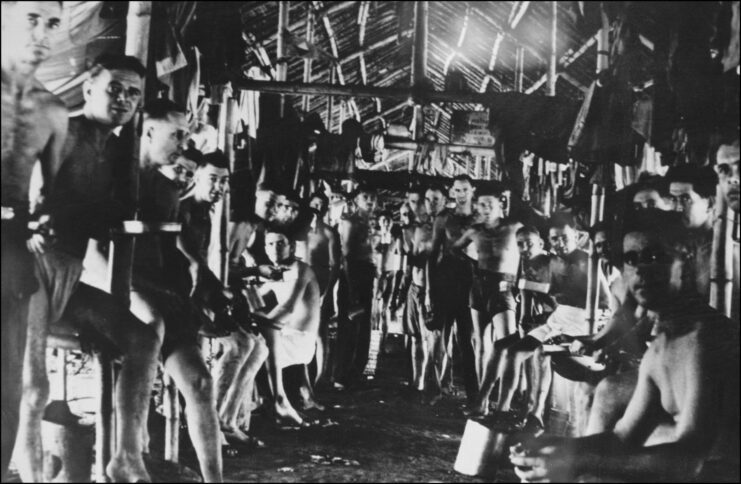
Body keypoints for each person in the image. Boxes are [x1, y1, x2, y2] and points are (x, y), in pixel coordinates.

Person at [16, 54, 163, 483]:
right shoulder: (61, 133)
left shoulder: (119, 152)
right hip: (32, 271)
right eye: (113, 88)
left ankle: (126, 456)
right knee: (34, 384)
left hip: (69, 277)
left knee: (142, 340)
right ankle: (32, 476)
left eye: (133, 92)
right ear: (88, 89)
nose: (123, 98)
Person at [510, 211, 739, 483]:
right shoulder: (662, 346)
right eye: (631, 259)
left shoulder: (705, 338)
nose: (641, 269)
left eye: (655, 257)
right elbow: (623, 438)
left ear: (686, 261)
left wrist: (580, 459)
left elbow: (690, 462)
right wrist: (558, 447)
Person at [127, 98, 223, 482]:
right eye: (177, 134)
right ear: (149, 132)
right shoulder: (119, 174)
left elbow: (176, 242)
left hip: (163, 294)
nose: (184, 142)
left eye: (186, 134)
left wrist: (198, 266)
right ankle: (135, 457)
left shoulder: (168, 191)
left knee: (200, 382)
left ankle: (215, 479)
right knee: (138, 367)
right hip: (120, 289)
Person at [1, 1, 67, 478]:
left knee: (8, 388)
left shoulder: (52, 110)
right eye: (31, 18)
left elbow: (52, 198)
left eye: (53, 23)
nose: (42, 33)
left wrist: (44, 222)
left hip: (11, 253)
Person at [475, 213, 609, 420]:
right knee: (514, 352)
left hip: (582, 319)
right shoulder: (550, 261)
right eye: (555, 239)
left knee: (541, 352)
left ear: (575, 235)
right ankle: (501, 410)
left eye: (565, 237)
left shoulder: (587, 261)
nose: (560, 243)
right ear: (549, 240)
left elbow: (606, 301)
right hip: (558, 317)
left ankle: (534, 413)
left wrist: (595, 327)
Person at [177, 151, 268, 447]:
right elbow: (188, 264)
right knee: (240, 344)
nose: (218, 187)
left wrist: (221, 295)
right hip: (178, 296)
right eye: (212, 180)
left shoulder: (206, 213)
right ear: (197, 177)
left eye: (224, 182)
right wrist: (213, 300)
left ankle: (225, 420)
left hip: (198, 293)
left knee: (254, 346)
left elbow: (201, 266)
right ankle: (209, 422)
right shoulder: (184, 210)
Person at [452, 186, 522, 417]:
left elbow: (531, 251)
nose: (485, 209)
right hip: (479, 286)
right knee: (480, 343)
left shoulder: (514, 228)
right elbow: (454, 248)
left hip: (504, 287)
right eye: (481, 205)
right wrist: (471, 263)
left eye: (490, 204)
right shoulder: (475, 230)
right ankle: (481, 402)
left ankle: (503, 402)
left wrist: (521, 282)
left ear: (501, 203)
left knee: (506, 344)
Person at [253, 228, 322, 426]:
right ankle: (266, 400)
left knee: (260, 337)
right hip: (286, 335)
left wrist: (260, 321)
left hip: (301, 339)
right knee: (252, 336)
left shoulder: (301, 269)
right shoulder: (275, 271)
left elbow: (289, 307)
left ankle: (277, 400)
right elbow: (257, 295)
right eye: (270, 244)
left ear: (291, 247)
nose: (275, 248)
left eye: (281, 243)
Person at [428, 174, 479, 405]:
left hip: (470, 283)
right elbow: (432, 256)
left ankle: (474, 394)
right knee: (440, 337)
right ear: (452, 192)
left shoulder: (480, 220)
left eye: (465, 189)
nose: (461, 194)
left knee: (467, 341)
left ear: (472, 190)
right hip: (445, 282)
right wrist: (430, 291)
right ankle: (434, 389)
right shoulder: (443, 218)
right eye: (457, 190)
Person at [401, 185, 447, 402]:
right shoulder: (415, 229)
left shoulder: (443, 226)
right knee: (416, 338)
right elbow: (412, 262)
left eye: (424, 201)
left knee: (435, 341)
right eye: (415, 202)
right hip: (415, 287)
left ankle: (433, 386)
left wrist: (431, 292)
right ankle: (417, 382)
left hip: (435, 291)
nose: (419, 206)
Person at [515, 225, 555, 432]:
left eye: (529, 243)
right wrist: (524, 320)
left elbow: (559, 298)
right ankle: (528, 406)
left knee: (541, 356)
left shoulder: (550, 263)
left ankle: (537, 412)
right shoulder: (524, 263)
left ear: (540, 243)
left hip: (560, 317)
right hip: (540, 317)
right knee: (526, 357)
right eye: (520, 244)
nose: (525, 248)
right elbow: (526, 293)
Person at [337, 185, 377, 388]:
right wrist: (352, 291)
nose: (370, 201)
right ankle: (341, 374)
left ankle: (355, 372)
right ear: (357, 200)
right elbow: (346, 256)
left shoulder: (370, 223)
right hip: (353, 276)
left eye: (372, 197)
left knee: (363, 327)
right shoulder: (350, 221)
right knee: (350, 325)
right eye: (365, 197)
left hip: (367, 274)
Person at [666, 164, 718, 299]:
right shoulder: (673, 245)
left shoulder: (725, 253)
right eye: (673, 199)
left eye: (685, 199)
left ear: (710, 203)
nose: (677, 208)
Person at [305, 191, 341, 386]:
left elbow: (336, 265)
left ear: (326, 209)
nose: (317, 209)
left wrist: (328, 293)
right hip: (302, 283)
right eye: (314, 204)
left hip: (321, 281)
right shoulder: (301, 230)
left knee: (320, 331)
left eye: (321, 205)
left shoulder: (328, 233)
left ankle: (321, 374)